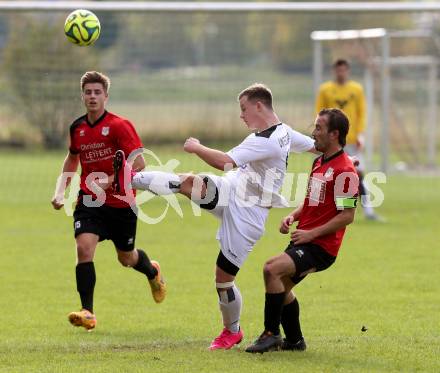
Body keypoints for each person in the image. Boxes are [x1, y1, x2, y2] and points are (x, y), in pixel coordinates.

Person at [112, 83, 316, 349]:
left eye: (243, 109)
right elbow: (315, 146)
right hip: (232, 189)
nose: (241, 115)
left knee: (223, 279)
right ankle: (130, 179)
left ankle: (232, 331)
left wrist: (197, 147)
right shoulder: (284, 132)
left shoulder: (265, 141)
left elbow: (225, 161)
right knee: (188, 182)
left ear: (258, 106)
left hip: (249, 214)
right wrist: (345, 159)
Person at [51, 71, 166, 331]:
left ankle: (152, 272)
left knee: (126, 258)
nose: (92, 96)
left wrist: (111, 179)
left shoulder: (119, 126)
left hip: (121, 203)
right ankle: (88, 312)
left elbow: (139, 162)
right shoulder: (77, 128)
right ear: (82, 96)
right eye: (88, 92)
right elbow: (72, 159)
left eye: (97, 92)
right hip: (89, 201)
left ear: (106, 96)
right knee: (83, 248)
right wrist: (60, 190)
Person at [245, 108, 359, 353]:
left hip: (321, 247)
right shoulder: (319, 161)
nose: (314, 132)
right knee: (282, 286)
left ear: (334, 134)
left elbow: (348, 215)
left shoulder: (346, 171)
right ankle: (295, 341)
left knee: (271, 269)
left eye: (319, 128)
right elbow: (311, 200)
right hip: (304, 239)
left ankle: (271, 333)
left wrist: (312, 234)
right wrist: (293, 216)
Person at [315, 59, 381, 221]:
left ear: (348, 71)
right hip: (332, 141)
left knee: (356, 174)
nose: (341, 73)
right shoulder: (326, 90)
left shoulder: (356, 89)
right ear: (334, 71)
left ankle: (368, 210)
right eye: (338, 70)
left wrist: (360, 135)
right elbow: (319, 114)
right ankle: (321, 210)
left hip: (351, 140)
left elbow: (361, 113)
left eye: (344, 70)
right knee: (325, 175)